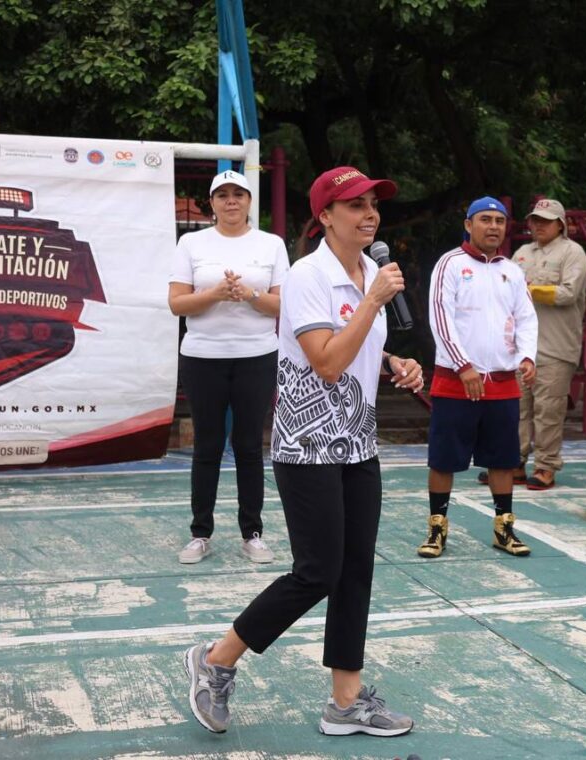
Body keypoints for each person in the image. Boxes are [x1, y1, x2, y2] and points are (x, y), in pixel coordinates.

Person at [182, 165, 424, 737]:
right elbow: (328, 361)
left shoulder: (371, 271)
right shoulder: (308, 276)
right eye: (356, 205)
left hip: (357, 440)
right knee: (317, 572)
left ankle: (345, 703)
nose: (370, 214)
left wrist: (395, 362)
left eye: (373, 204)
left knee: (356, 570)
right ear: (325, 216)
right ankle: (216, 659)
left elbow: (357, 349)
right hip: (308, 444)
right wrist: (372, 303)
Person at [168, 170, 289, 565]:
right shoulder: (191, 243)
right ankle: (200, 533)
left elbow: (283, 305)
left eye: (239, 194)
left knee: (249, 445)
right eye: (222, 195)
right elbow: (177, 303)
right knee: (207, 445)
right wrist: (216, 293)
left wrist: (249, 294)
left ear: (250, 201)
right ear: (212, 202)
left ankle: (252, 533)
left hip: (257, 355)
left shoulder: (271, 244)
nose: (231, 201)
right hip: (203, 356)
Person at [420, 196, 539, 558]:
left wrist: (527, 356)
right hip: (455, 381)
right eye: (485, 219)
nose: (493, 227)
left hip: (502, 383)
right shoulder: (450, 264)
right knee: (443, 459)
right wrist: (463, 365)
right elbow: (440, 317)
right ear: (468, 225)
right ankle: (437, 530)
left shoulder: (512, 271)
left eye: (499, 221)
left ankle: (504, 529)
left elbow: (526, 317)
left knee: (503, 460)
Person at [511, 198, 586, 490]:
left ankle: (545, 466)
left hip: (556, 346)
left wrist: (528, 290)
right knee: (517, 408)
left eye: (546, 220)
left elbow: (568, 293)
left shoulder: (573, 252)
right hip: (521, 347)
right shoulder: (521, 253)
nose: (539, 225)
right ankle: (514, 461)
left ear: (560, 224)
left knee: (548, 410)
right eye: (535, 220)